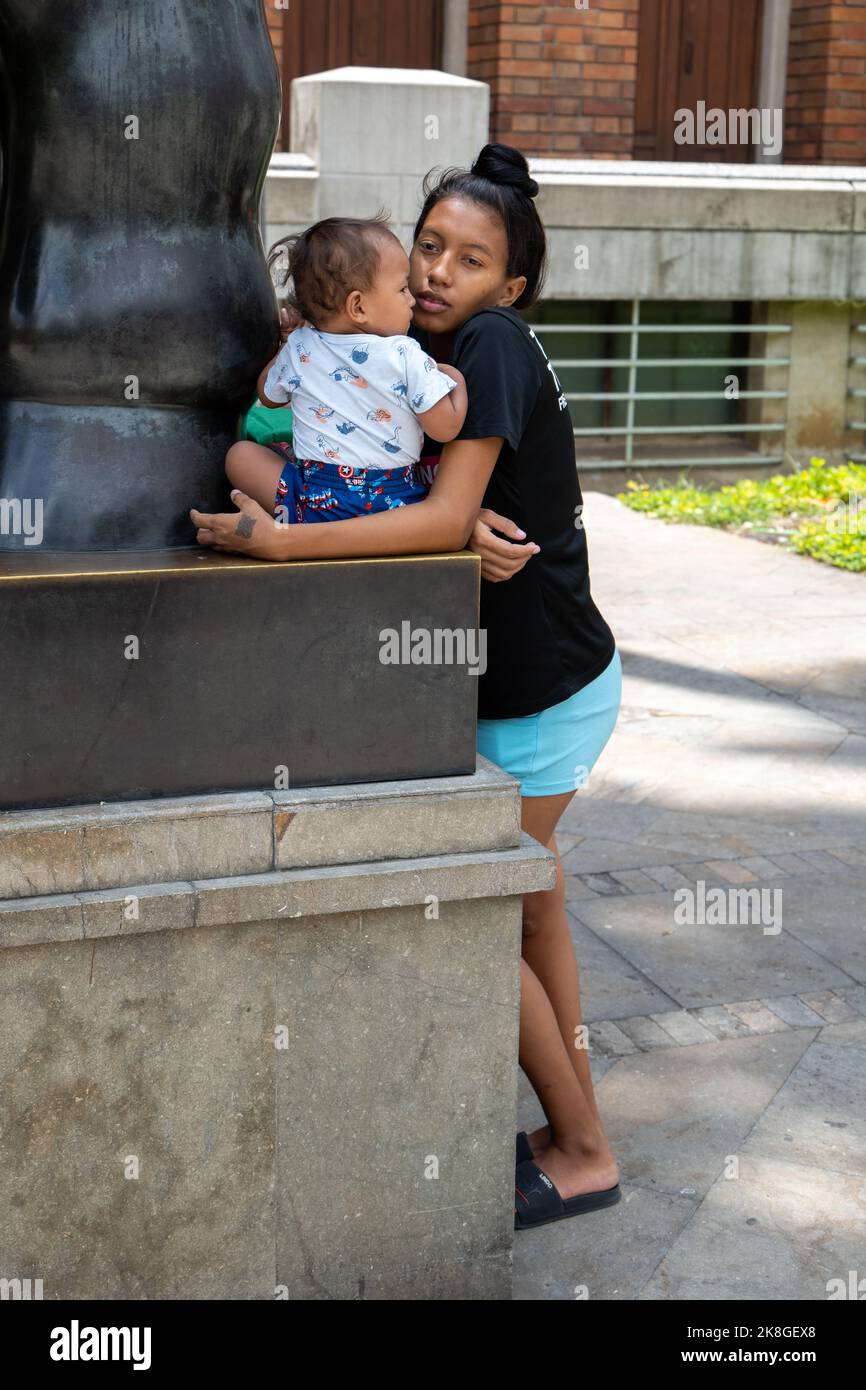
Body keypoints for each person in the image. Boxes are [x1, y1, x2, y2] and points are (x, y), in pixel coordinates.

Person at [191, 143, 623, 1231]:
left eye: (468, 260)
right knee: (531, 915)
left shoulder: (484, 344)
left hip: (541, 689)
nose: (435, 273)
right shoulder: (411, 343)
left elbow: (438, 517)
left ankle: (581, 1149)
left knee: (495, 915)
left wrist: (284, 544)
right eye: (427, 246)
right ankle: (577, 1123)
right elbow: (429, 489)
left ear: (507, 286)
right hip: (531, 677)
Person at [222, 214, 467, 526]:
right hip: (393, 507)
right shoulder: (406, 354)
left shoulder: (300, 347)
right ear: (358, 307)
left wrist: (286, 344)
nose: (411, 300)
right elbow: (444, 429)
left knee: (240, 455)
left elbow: (268, 396)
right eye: (402, 289)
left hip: (313, 500)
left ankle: (297, 519)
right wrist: (456, 381)